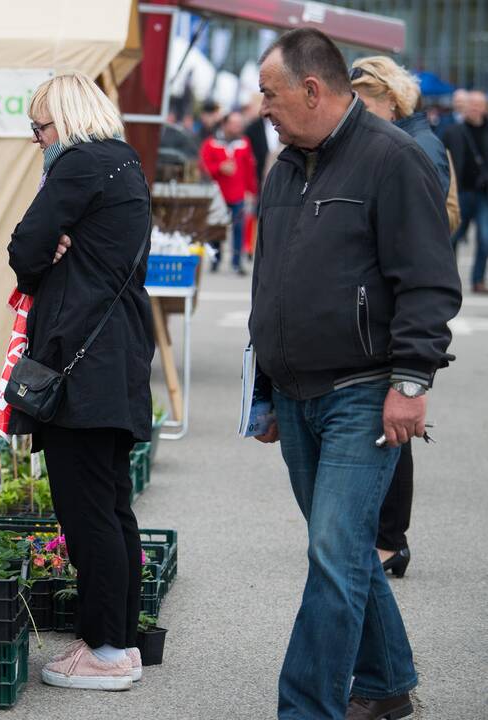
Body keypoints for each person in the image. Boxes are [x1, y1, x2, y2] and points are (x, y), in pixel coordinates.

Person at [251, 29, 461, 720]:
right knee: (341, 556)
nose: (263, 109)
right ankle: (386, 681)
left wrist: (409, 383)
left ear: (312, 90)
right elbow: (269, 284)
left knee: (333, 557)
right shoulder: (285, 166)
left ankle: (305, 709)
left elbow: (429, 283)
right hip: (296, 391)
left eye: (270, 95)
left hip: (361, 394)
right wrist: (266, 392)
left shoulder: (393, 160)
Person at [7, 71, 154, 691]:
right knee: (113, 506)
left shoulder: (77, 165)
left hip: (82, 366)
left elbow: (25, 247)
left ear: (64, 119)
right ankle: (120, 640)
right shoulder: (125, 164)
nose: (37, 141)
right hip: (116, 358)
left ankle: (106, 651)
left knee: (87, 509)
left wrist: (47, 247)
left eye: (39, 127)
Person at [350, 55, 459, 580]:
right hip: (391, 304)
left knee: (393, 422)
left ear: (389, 100)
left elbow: (424, 237)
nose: (357, 112)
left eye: (364, 102)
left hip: (400, 307)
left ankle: (391, 541)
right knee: (387, 425)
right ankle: (387, 538)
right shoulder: (411, 138)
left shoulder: (415, 146)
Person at [199, 111, 258, 274]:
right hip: (217, 195)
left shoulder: (244, 143)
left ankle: (236, 262)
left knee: (239, 229)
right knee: (216, 228)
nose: (238, 126)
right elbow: (203, 166)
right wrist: (219, 168)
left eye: (240, 123)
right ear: (225, 124)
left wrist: (251, 191)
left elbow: (249, 169)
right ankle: (215, 260)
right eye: (234, 123)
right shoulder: (211, 143)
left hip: (238, 194)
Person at [443, 91, 488, 287]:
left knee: (485, 238)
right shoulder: (453, 131)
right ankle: (448, 278)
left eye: (479, 105)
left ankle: (477, 280)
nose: (474, 108)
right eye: (471, 104)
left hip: (484, 195)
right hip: (460, 192)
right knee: (452, 237)